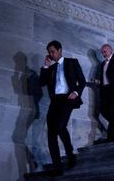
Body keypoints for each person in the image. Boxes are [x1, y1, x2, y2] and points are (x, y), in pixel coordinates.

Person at [39, 40, 86, 176]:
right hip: (55, 101)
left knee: (60, 126)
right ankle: (57, 166)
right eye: (49, 52)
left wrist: (76, 92)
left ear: (60, 50)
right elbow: (42, 82)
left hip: (68, 98)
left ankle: (70, 153)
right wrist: (46, 66)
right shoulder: (51, 68)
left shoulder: (72, 62)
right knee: (51, 133)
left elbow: (82, 81)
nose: (51, 54)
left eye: (53, 51)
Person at [93, 44, 114, 143]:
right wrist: (98, 82)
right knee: (103, 111)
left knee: (113, 112)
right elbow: (102, 78)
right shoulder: (102, 64)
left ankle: (110, 136)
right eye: (102, 52)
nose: (103, 54)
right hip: (104, 90)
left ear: (110, 50)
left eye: (105, 51)